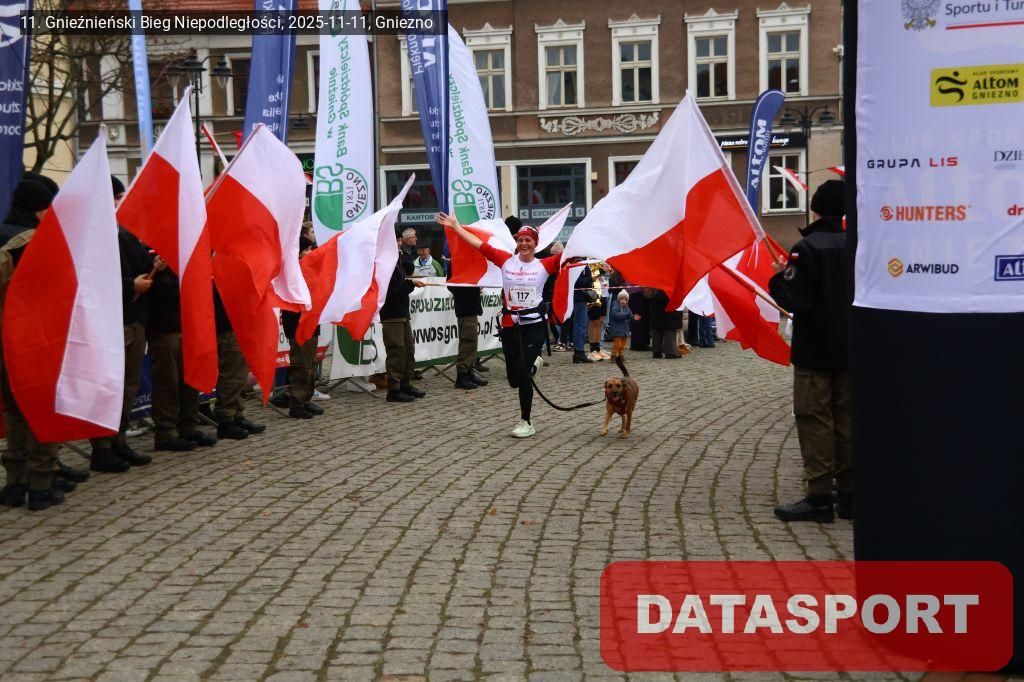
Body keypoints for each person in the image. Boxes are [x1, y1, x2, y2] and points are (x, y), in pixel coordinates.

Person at [769, 179, 852, 523]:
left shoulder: (807, 248)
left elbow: (795, 299)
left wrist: (779, 277)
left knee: (815, 419)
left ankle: (819, 497)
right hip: (850, 349)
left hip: (815, 351)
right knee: (846, 420)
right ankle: (849, 496)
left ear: (815, 208)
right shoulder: (857, 244)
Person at [438, 212, 559, 438]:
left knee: (523, 374)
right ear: (516, 242)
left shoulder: (545, 265)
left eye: (528, 240)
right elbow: (478, 244)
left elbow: (570, 257)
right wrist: (455, 227)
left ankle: (526, 421)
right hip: (510, 325)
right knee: (513, 379)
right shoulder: (505, 260)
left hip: (534, 325)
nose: (524, 244)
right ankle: (534, 365)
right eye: (520, 240)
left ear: (535, 244)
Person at [0, 179, 66, 510]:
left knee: (14, 411)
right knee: (42, 409)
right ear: (39, 209)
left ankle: (14, 484)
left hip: (4, 342)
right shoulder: (37, 242)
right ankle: (41, 485)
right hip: (36, 340)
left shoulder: (3, 235)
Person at [88, 176, 156, 472]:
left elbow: (143, 266)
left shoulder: (125, 235)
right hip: (110, 323)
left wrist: (156, 265)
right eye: (117, 197)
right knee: (108, 385)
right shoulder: (91, 236)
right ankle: (101, 447)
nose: (121, 202)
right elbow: (93, 281)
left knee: (128, 385)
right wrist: (131, 286)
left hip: (135, 320)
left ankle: (119, 439)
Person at [147, 268, 217, 452]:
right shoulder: (158, 260)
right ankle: (166, 433)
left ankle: (188, 426)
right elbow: (160, 290)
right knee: (167, 382)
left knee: (190, 380)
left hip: (188, 324)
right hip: (165, 327)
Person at [212, 289, 266, 438]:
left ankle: (237, 414)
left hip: (241, 321)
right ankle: (226, 419)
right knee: (232, 374)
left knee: (240, 374)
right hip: (228, 323)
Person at [281, 234, 323, 419]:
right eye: (307, 249)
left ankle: (306, 398)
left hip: (312, 322)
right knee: (301, 365)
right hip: (299, 324)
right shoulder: (293, 272)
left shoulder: (309, 269)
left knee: (310, 364)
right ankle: (297, 403)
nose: (310, 252)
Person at [380, 253, 426, 403]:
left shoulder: (397, 262)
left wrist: (402, 256)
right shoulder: (385, 265)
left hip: (402, 313)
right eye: (397, 242)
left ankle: (405, 384)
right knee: (396, 351)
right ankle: (394, 388)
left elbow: (409, 267)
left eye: (400, 242)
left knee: (408, 349)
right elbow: (392, 291)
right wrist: (410, 284)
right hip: (391, 314)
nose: (399, 244)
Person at [449, 285, 488, 390]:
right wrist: (467, 289)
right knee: (467, 343)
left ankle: (469, 372)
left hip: (471, 308)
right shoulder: (458, 274)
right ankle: (462, 375)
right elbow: (451, 285)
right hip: (465, 309)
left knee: (472, 343)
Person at [646, 288, 683, 359]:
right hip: (670, 312)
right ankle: (670, 352)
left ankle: (656, 352)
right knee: (669, 332)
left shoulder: (654, 285)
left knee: (657, 331)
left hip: (656, 311)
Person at [607, 291, 636, 361]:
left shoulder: (627, 308)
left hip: (625, 330)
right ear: (618, 299)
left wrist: (633, 317)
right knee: (618, 344)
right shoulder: (615, 306)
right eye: (622, 299)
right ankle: (613, 355)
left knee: (623, 345)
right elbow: (615, 314)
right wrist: (627, 315)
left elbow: (630, 315)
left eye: (625, 299)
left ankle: (621, 356)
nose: (623, 301)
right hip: (617, 330)